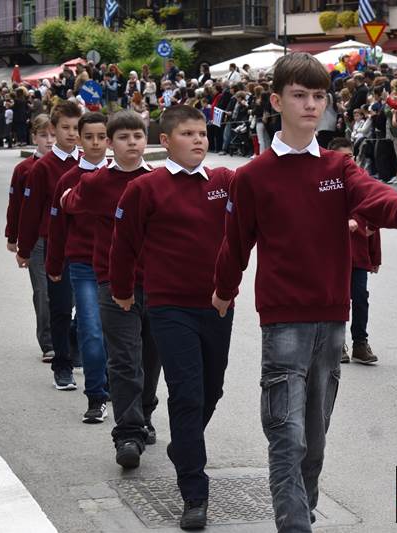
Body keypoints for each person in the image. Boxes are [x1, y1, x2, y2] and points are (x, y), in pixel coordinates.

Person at [212, 52, 397, 532]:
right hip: (282, 318)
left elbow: (372, 192)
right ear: (276, 101)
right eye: (299, 95)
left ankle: (303, 508)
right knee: (286, 433)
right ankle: (294, 523)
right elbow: (236, 242)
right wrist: (224, 289)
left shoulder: (338, 166)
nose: (311, 105)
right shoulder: (252, 176)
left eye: (318, 96)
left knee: (314, 435)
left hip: (332, 317)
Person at [108, 106, 234, 529]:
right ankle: (194, 493)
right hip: (168, 307)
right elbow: (123, 245)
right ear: (165, 141)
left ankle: (183, 444)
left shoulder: (224, 182)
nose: (199, 140)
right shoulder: (145, 188)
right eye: (188, 133)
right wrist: (122, 290)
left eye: (202, 133)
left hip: (217, 306)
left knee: (212, 391)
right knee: (187, 394)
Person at [61, 111, 161, 469]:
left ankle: (145, 413)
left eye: (138, 136)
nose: (132, 142)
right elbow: (68, 202)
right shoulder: (97, 183)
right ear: (110, 143)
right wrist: (67, 196)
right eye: (123, 137)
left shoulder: (158, 180)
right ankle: (128, 433)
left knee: (150, 357)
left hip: (157, 284)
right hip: (112, 282)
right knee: (123, 358)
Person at [45, 112, 110, 423]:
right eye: (89, 137)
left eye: (101, 137)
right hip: (83, 265)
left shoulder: (123, 176)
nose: (95, 143)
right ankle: (96, 396)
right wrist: (54, 263)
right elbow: (57, 228)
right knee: (91, 330)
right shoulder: (68, 180)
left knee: (119, 335)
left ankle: (119, 389)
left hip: (119, 267)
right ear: (80, 140)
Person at [16, 100, 82, 389]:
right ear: (54, 129)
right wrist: (23, 247)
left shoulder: (89, 163)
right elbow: (29, 212)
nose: (72, 133)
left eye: (76, 128)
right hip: (49, 242)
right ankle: (59, 357)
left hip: (84, 245)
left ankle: (73, 342)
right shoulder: (42, 168)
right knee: (55, 302)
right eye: (65, 128)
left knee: (85, 305)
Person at [5, 115, 55, 361]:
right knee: (43, 291)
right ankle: (48, 342)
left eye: (53, 135)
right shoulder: (24, 169)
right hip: (36, 240)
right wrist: (12, 236)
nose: (49, 140)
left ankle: (68, 335)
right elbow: (16, 206)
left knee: (71, 294)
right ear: (34, 137)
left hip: (66, 239)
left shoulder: (71, 165)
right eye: (44, 135)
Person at [328, 137, 381, 365]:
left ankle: (360, 343)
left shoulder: (362, 183)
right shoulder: (325, 185)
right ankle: (337, 344)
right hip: (332, 256)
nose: (347, 162)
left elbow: (373, 222)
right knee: (337, 300)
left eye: (350, 157)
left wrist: (375, 256)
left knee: (360, 298)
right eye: (342, 158)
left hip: (358, 255)